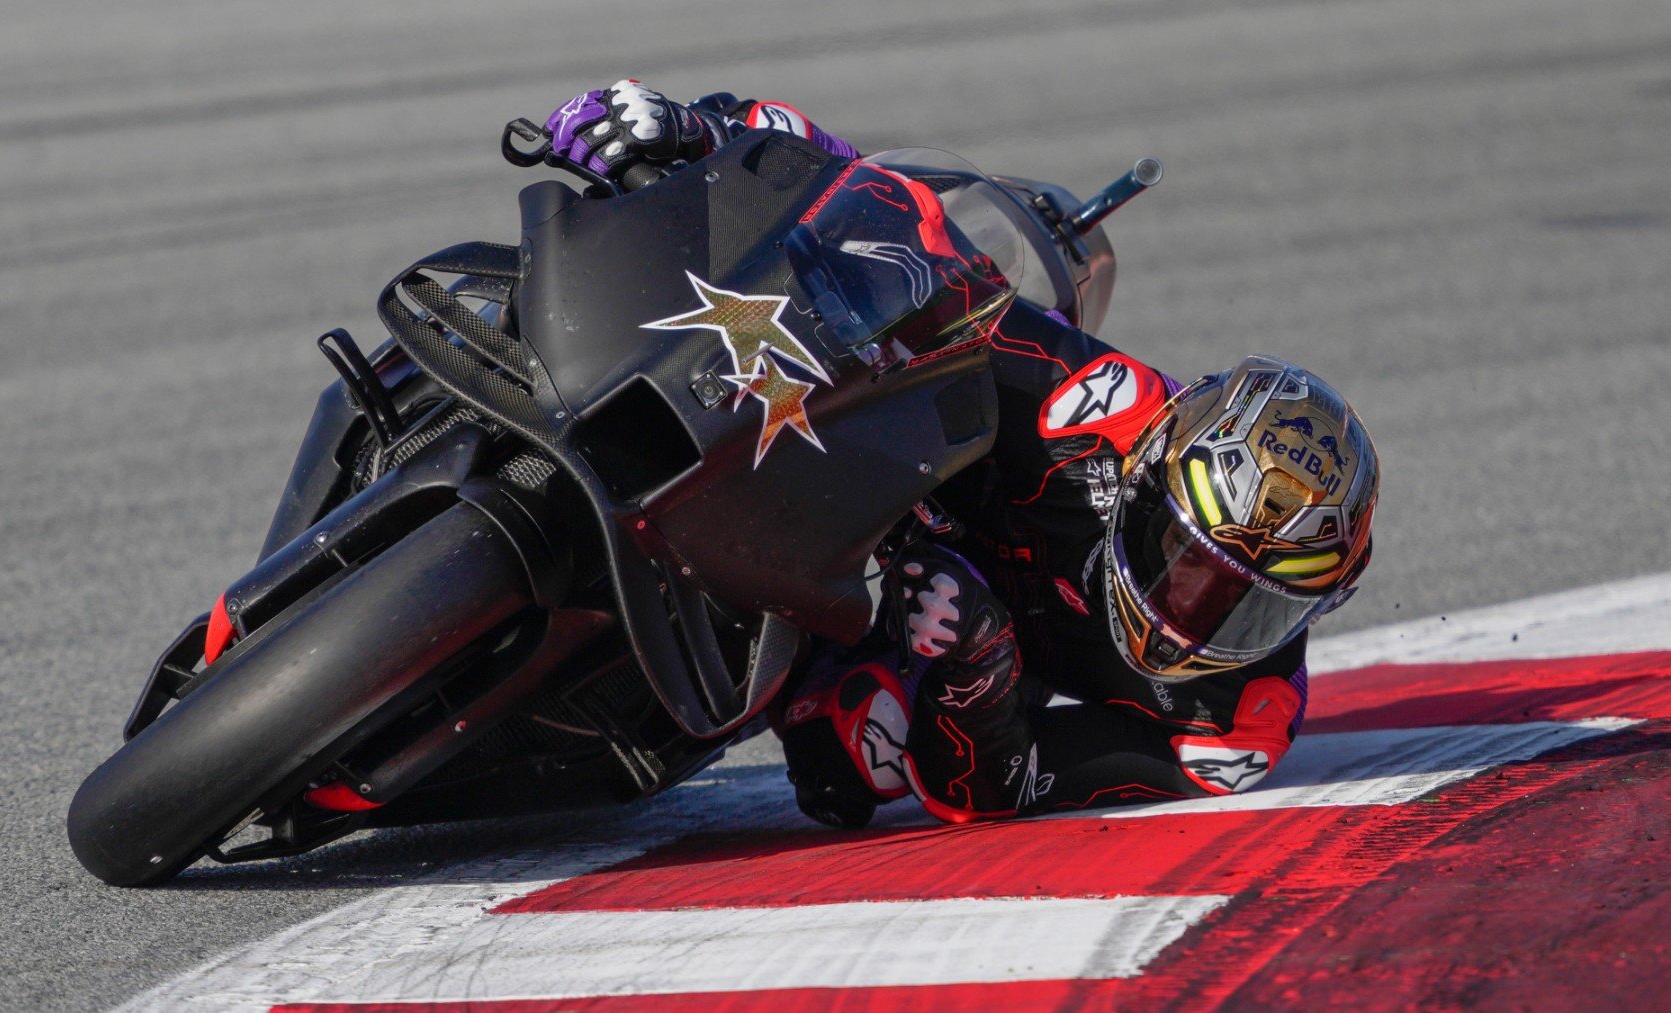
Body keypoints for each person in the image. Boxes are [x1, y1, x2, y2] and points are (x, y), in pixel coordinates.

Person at [540, 81, 1381, 826]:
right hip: (901, 466)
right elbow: (918, 241)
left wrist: (976, 664)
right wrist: (701, 131)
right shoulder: (1091, 406)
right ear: (1149, 474)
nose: (1190, 615)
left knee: (851, 761)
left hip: (949, 625)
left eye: (1250, 608)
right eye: (1185, 563)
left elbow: (1002, 787)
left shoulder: (1236, 724)